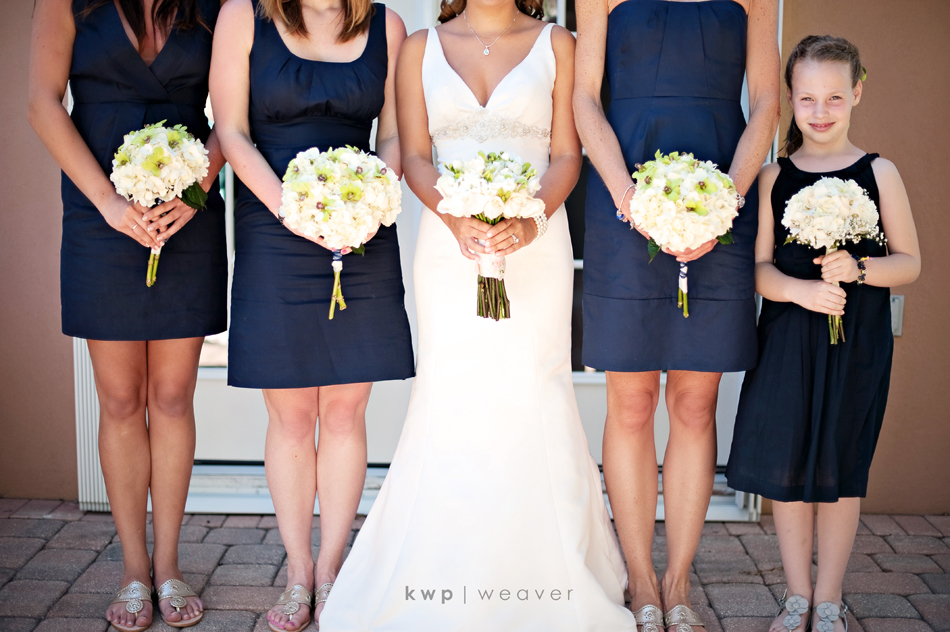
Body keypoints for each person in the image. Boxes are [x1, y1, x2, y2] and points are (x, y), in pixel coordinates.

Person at [318, 0, 637, 629]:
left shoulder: (559, 44)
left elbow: (566, 156)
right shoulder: (419, 47)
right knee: (452, 391)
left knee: (534, 387)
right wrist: (455, 217)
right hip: (447, 246)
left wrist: (529, 223)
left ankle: (548, 573)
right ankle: (440, 568)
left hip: (536, 241)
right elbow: (415, 156)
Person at [573, 0, 780, 629]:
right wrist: (628, 198)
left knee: (695, 402)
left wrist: (724, 204)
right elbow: (585, 100)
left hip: (722, 195)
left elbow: (766, 102)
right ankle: (641, 581)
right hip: (623, 198)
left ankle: (679, 582)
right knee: (631, 402)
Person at [210, 0, 412, 629]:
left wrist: (373, 200)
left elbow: (394, 135)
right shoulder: (243, 17)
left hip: (361, 228)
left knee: (346, 410)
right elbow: (232, 132)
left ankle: (331, 572)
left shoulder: (387, 26)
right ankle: (298, 573)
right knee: (292, 414)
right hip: (275, 225)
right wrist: (292, 209)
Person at [29, 0, 229, 629]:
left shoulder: (216, 5)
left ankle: (168, 567)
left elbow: (234, 112)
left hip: (185, 211)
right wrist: (109, 204)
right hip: (100, 213)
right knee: (118, 399)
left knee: (172, 396)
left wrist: (198, 190)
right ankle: (133, 570)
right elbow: (42, 103)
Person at [727, 35, 920, 632]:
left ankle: (830, 599)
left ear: (857, 93)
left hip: (856, 342)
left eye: (835, 97)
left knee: (840, 468)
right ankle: (796, 596)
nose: (820, 111)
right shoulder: (773, 176)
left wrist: (859, 268)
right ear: (790, 98)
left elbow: (909, 263)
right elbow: (759, 271)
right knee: (787, 470)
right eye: (807, 98)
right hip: (788, 339)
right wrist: (801, 291)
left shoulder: (879, 172)